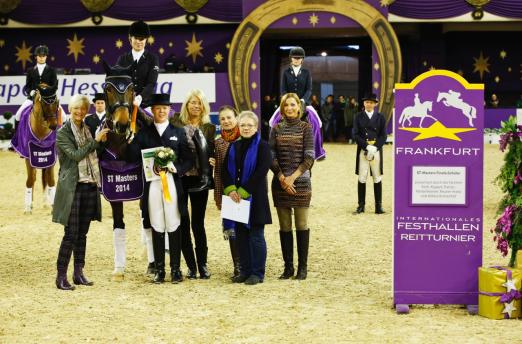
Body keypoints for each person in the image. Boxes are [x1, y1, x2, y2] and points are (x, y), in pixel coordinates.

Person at [126, 93, 194, 284]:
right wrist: (130, 141)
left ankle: (175, 269)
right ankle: (159, 269)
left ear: (169, 110)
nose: (162, 111)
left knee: (173, 224)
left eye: (165, 108)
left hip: (172, 184)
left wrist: (177, 169)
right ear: (153, 111)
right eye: (158, 108)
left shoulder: (178, 132)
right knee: (156, 224)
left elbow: (188, 159)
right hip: (152, 186)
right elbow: (132, 157)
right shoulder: (144, 133)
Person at [52, 94, 110, 290]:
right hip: (72, 188)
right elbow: (76, 155)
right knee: (71, 233)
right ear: (71, 109)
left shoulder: (87, 129)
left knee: (82, 233)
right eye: (76, 108)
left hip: (89, 185)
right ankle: (61, 276)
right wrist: (95, 141)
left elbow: (94, 154)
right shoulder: (63, 133)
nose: (80, 112)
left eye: (83, 109)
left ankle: (78, 273)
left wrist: (101, 142)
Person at [223, 111, 272, 285]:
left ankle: (257, 273)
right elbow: (225, 170)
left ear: (256, 127)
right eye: (242, 125)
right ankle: (244, 270)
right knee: (241, 236)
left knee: (256, 236)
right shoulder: (233, 146)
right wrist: (230, 190)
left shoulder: (263, 146)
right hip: (235, 199)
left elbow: (261, 171)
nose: (245, 128)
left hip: (255, 198)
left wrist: (243, 191)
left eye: (249, 125)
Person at [270, 93, 314, 280]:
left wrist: (292, 178)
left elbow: (309, 157)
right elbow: (271, 157)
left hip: (301, 183)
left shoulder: (306, 128)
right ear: (282, 107)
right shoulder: (276, 128)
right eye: (286, 105)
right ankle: (288, 267)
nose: (289, 108)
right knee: (285, 226)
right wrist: (281, 177)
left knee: (301, 224)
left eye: (293, 104)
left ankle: (302, 268)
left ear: (299, 107)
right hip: (280, 183)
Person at [172, 89, 216, 279]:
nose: (196, 106)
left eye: (199, 103)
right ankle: (191, 266)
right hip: (180, 178)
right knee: (182, 222)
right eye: (192, 102)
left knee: (198, 224)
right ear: (186, 105)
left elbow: (212, 151)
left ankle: (203, 265)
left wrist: (213, 160)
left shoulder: (209, 127)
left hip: (200, 180)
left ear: (204, 106)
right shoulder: (175, 122)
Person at [209, 105, 241, 278]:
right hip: (226, 192)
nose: (226, 121)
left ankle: (249, 263)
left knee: (245, 227)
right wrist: (212, 160)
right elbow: (218, 169)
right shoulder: (218, 142)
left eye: (229, 117)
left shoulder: (245, 138)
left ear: (236, 118)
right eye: (223, 119)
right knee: (231, 227)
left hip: (244, 192)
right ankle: (238, 265)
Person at [353, 92, 387, 215]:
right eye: (367, 102)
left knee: (377, 177)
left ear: (375, 104)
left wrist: (376, 147)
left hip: (376, 150)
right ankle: (361, 205)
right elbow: (355, 134)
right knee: (362, 177)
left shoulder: (380, 117)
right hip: (363, 149)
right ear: (364, 103)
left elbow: (383, 135)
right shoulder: (358, 116)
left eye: (371, 102)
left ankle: (379, 206)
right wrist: (366, 146)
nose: (369, 104)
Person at [116, 20, 159, 109]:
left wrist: (140, 97)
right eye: (136, 38)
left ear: (146, 40)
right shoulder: (122, 59)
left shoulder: (152, 58)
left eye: (142, 39)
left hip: (146, 104)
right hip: (126, 103)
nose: (139, 42)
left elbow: (151, 83)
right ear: (130, 38)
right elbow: (119, 81)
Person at [15, 45, 58, 124]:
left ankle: (62, 136)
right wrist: (30, 92)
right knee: (18, 115)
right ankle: (16, 136)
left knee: (64, 117)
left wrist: (48, 91)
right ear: (36, 57)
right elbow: (27, 86)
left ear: (46, 57)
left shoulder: (52, 70)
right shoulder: (30, 71)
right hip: (33, 98)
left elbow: (54, 86)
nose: (41, 58)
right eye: (39, 56)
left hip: (48, 99)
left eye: (43, 56)